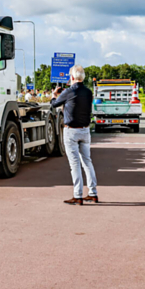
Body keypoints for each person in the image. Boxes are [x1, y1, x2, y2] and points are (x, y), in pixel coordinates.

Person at [50, 67, 98, 205]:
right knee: (87, 161)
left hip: (71, 130)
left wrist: (54, 95)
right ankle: (93, 193)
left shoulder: (69, 92)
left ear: (71, 77)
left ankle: (78, 195)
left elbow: (54, 104)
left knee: (75, 164)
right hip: (85, 130)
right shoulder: (88, 92)